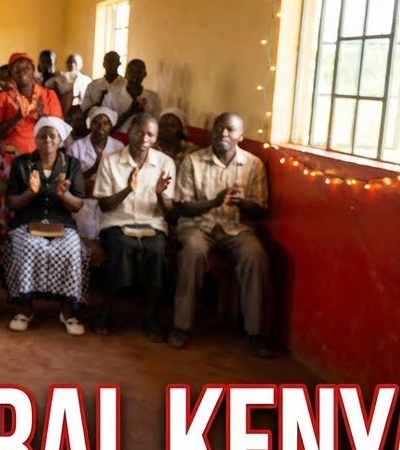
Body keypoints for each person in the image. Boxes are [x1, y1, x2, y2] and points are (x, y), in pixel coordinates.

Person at [171, 113, 272, 358]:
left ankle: (254, 333)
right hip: (197, 225)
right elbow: (182, 206)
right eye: (218, 128)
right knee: (192, 254)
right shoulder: (192, 161)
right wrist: (213, 202)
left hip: (235, 228)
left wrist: (243, 203)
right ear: (211, 132)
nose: (223, 134)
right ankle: (181, 326)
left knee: (255, 256)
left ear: (241, 136)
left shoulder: (254, 164)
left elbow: (260, 209)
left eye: (230, 129)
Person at [3, 116, 89, 335]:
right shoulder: (23, 164)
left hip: (61, 223)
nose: (48, 140)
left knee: (70, 248)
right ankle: (25, 309)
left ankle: (67, 311)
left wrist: (64, 194)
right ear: (36, 139)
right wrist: (29, 193)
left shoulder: (71, 165)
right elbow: (12, 202)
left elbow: (77, 205)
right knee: (30, 246)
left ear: (60, 139)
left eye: (53, 136)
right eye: (43, 136)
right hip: (28, 221)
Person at [93, 113, 176, 340]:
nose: (144, 138)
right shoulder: (111, 161)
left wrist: (160, 195)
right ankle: (106, 309)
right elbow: (104, 205)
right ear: (129, 132)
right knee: (120, 246)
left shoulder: (165, 163)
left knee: (156, 251)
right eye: (139, 132)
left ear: (156, 137)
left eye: (150, 134)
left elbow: (168, 209)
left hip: (152, 223)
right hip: (117, 222)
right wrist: (127, 189)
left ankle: (151, 315)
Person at [0, 53, 62, 238]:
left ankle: (35, 232)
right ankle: (5, 234)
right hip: (10, 158)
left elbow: (59, 130)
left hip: (42, 157)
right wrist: (17, 117)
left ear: (33, 70)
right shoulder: (2, 98)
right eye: (17, 68)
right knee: (8, 196)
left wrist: (43, 117)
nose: (22, 71)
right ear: (11, 74)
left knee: (37, 195)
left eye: (26, 67)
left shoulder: (48, 96)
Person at [67, 106, 124, 239]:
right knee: (84, 230)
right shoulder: (76, 147)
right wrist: (94, 168)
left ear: (111, 126)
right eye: (96, 123)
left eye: (106, 123)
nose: (101, 127)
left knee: (112, 232)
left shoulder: (119, 147)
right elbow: (70, 181)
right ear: (89, 124)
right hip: (83, 200)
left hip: (110, 200)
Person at [105, 58, 162, 132]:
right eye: (131, 72)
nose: (134, 75)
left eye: (138, 72)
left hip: (144, 138)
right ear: (126, 74)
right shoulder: (112, 96)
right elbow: (108, 125)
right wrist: (130, 111)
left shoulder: (153, 97)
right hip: (119, 138)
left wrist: (144, 114)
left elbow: (157, 123)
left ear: (144, 74)